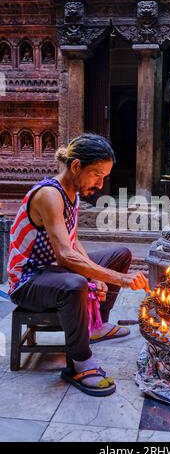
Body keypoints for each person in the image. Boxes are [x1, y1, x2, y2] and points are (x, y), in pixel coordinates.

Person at [7, 133, 149, 397]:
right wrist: (120, 279)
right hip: (28, 280)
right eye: (96, 174)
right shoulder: (49, 195)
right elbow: (65, 256)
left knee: (120, 255)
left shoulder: (72, 193)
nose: (100, 182)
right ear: (75, 167)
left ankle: (96, 325)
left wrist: (99, 274)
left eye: (104, 176)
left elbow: (72, 241)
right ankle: (80, 364)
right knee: (75, 284)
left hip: (54, 269)